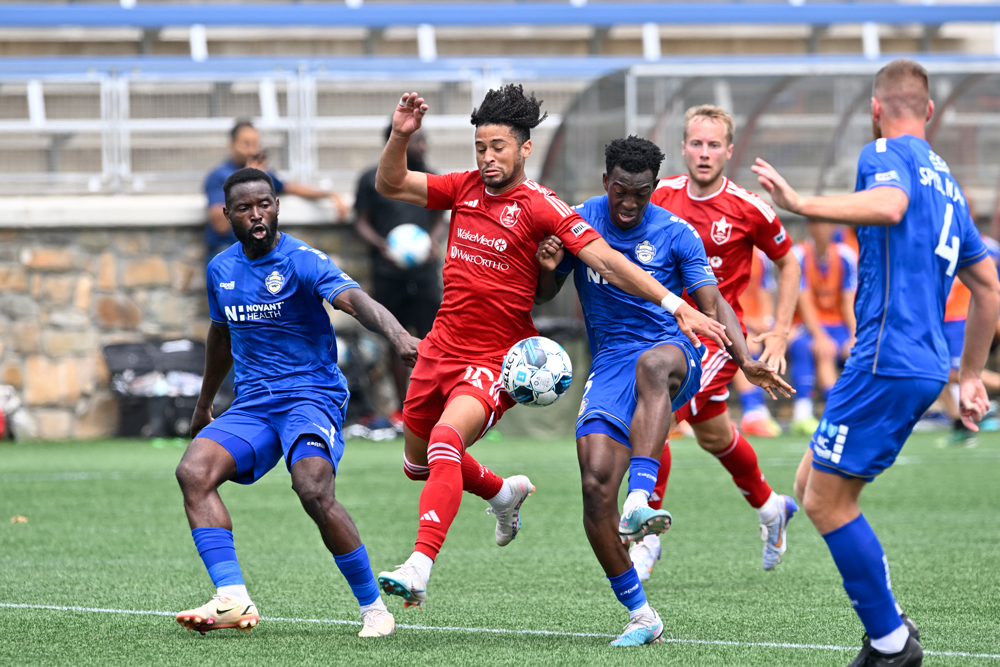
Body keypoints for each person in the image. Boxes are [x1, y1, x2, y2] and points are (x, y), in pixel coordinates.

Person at [371, 85, 727, 616]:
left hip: (496, 358)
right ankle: (500, 493)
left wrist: (675, 304)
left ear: (524, 149)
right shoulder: (462, 188)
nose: (488, 158)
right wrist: (401, 134)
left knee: (447, 440)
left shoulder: (543, 206)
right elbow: (391, 182)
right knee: (418, 465)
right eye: (480, 148)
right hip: (440, 347)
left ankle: (418, 566)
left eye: (498, 148)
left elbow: (607, 261)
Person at [752, 59, 1000, 667]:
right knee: (811, 482)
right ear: (932, 112)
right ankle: (889, 622)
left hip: (887, 357)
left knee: (827, 504)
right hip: (914, 361)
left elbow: (888, 207)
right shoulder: (949, 184)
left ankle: (891, 644)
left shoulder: (884, 151)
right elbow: (989, 287)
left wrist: (800, 201)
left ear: (876, 109)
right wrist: (969, 373)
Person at [534, 136, 791, 646]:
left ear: (653, 188)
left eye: (642, 193)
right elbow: (547, 293)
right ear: (607, 182)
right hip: (609, 362)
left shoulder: (677, 233)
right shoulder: (579, 218)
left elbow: (713, 303)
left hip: (674, 349)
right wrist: (546, 269)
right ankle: (640, 613)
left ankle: (640, 499)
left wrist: (746, 362)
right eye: (621, 192)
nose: (629, 203)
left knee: (653, 367)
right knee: (592, 489)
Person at [174, 168, 420, 639]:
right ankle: (232, 598)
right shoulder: (221, 270)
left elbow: (354, 300)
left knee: (312, 488)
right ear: (228, 216)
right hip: (254, 404)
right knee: (192, 472)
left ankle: (373, 608)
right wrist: (205, 403)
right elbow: (221, 335)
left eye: (264, 204)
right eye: (244, 208)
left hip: (312, 395)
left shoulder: (303, 260)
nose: (257, 214)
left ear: (277, 206)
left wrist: (398, 335)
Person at [632, 104, 802, 580]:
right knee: (714, 432)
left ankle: (646, 537)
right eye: (696, 144)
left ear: (729, 150)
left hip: (718, 340)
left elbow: (788, 262)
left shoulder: (749, 207)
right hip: (665, 330)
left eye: (713, 145)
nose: (704, 153)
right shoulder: (659, 195)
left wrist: (781, 331)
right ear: (682, 147)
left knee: (655, 415)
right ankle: (771, 508)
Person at [355, 126, 446, 429]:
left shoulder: (431, 178)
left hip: (423, 274)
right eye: (417, 140)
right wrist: (382, 245)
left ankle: (436, 407)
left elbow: (438, 218)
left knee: (433, 339)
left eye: (424, 139)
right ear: (398, 143)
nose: (424, 145)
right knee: (398, 340)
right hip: (388, 274)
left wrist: (432, 241)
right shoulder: (372, 180)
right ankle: (402, 410)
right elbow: (361, 222)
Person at [204, 120, 347, 259]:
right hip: (229, 250)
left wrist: (330, 194)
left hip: (258, 250)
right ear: (232, 145)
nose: (252, 150)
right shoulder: (218, 176)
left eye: (256, 144)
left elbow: (291, 187)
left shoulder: (263, 173)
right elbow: (221, 226)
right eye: (246, 144)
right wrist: (249, 179)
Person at [787, 220, 858, 436]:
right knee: (815, 349)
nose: (824, 229)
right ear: (810, 227)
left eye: (828, 224)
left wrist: (856, 335)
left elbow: (848, 301)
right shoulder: (799, 254)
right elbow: (804, 301)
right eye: (819, 224)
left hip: (837, 325)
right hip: (805, 325)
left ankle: (852, 412)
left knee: (859, 351)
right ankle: (816, 413)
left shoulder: (845, 255)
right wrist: (819, 336)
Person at [735, 249, 783, 437]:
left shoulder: (760, 257)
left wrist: (767, 324)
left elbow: (765, 294)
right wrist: (748, 324)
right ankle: (752, 410)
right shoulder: (717, 251)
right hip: (728, 322)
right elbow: (717, 301)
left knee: (765, 339)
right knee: (745, 343)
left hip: (752, 324)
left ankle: (758, 410)